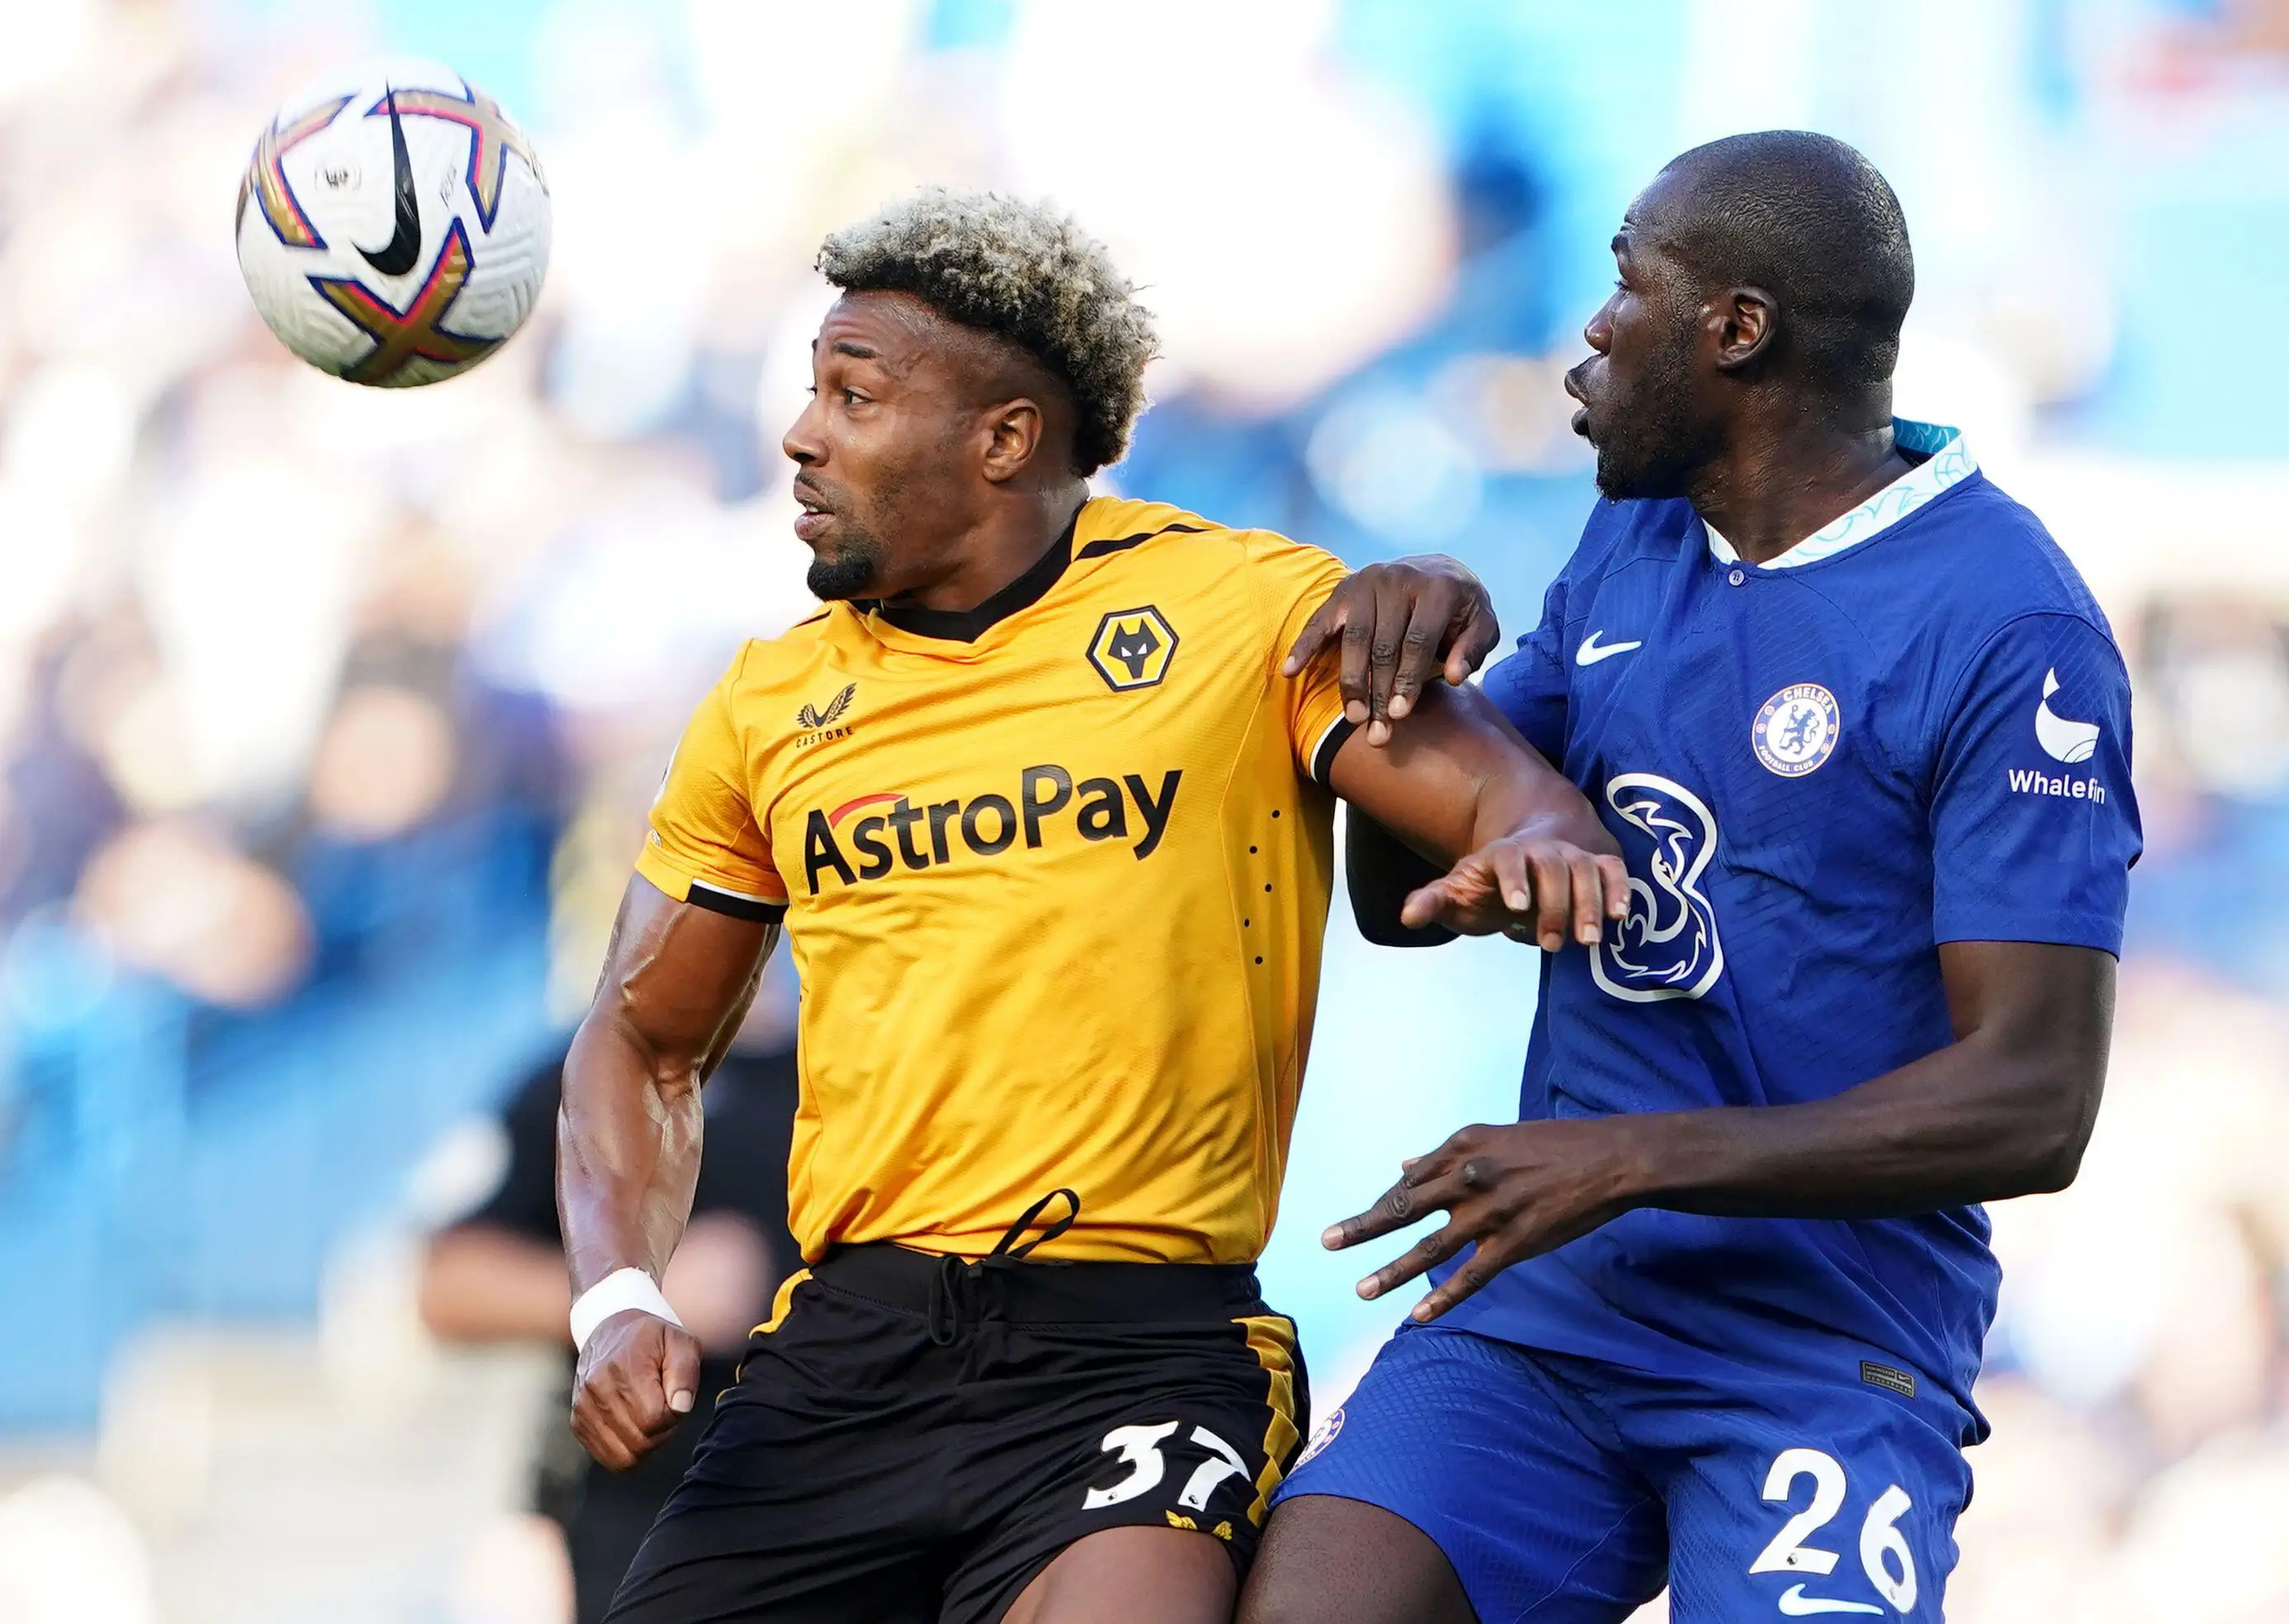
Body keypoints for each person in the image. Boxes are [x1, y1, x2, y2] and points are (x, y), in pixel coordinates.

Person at [556, 188, 1626, 1624]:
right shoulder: (768, 705)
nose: (802, 436)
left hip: (1137, 1348)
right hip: (850, 1350)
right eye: (811, 392)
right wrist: (616, 1293)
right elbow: (642, 1038)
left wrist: (1542, 838)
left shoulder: (1247, 614)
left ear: (1003, 439)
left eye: (853, 397)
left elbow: (1507, 796)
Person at [1243, 131, 2141, 1624]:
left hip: (1817, 1345)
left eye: (1623, 286)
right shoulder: (1636, 539)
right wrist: (1411, 655)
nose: (1588, 330)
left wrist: (1628, 1154)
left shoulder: (2009, 625)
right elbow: (1401, 903)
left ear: (1737, 329)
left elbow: (2033, 1099)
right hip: (1544, 1314)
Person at [418, 989, 799, 1624]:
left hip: (836, 1504)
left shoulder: (847, 1083)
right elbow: (444, 1282)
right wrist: (633, 1292)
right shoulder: (584, 1078)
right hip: (640, 1523)